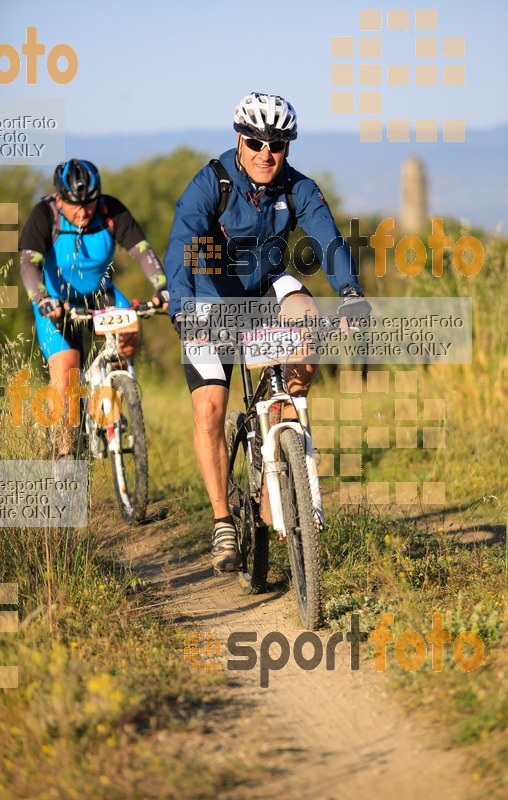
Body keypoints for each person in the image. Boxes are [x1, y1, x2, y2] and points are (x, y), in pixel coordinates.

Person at [164, 92, 369, 572]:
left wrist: (351, 291)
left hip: (265, 289)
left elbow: (328, 238)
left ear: (288, 148)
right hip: (210, 299)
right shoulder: (211, 182)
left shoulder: (298, 187)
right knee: (210, 407)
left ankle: (285, 433)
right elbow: (181, 241)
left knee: (307, 317)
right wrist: (180, 307)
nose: (265, 153)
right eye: (256, 141)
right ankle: (221, 523)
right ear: (240, 140)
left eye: (277, 144)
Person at [19, 158, 169, 456]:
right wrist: (42, 299)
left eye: (90, 202)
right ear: (59, 199)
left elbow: (141, 251)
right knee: (66, 377)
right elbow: (28, 264)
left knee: (129, 333)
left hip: (101, 296)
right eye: (75, 204)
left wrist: (162, 287)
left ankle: (112, 396)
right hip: (56, 303)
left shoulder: (111, 211)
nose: (84, 211)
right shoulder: (44, 215)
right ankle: (65, 454)